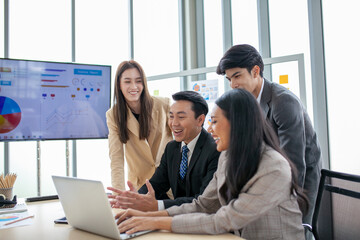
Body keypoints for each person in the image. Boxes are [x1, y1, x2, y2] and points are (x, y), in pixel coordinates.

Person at [114, 89, 307, 240]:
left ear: (237, 123)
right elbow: (203, 205)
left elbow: (225, 219)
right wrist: (147, 217)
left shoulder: (274, 167)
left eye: (214, 121)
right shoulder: (227, 156)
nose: (209, 128)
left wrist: (155, 222)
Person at [216, 44, 322, 227]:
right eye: (229, 79)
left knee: (293, 230)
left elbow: (295, 162)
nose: (233, 85)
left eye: (237, 76)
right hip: (273, 174)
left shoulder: (283, 101)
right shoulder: (248, 102)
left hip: (301, 181)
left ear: (255, 71)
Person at [108, 91, 220, 211]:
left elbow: (203, 200)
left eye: (181, 117)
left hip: (205, 221)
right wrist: (136, 198)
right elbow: (156, 184)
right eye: (171, 116)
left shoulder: (215, 150)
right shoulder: (172, 148)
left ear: (200, 120)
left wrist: (158, 205)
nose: (174, 123)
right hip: (177, 219)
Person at [106, 60, 173, 191]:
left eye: (138, 81)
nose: (134, 86)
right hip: (140, 185)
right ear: (119, 84)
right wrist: (119, 196)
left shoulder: (163, 105)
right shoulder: (113, 115)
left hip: (168, 182)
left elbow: (181, 141)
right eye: (127, 81)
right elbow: (116, 159)